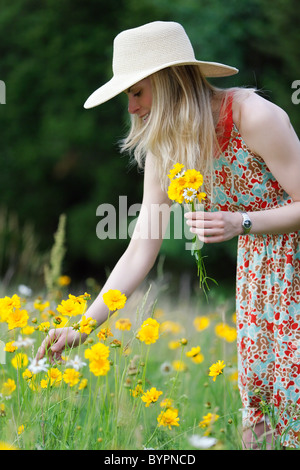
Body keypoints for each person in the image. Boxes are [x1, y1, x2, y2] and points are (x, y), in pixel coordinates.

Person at [36, 21, 300, 449]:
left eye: (137, 92)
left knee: (292, 406)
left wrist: (242, 222)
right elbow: (143, 246)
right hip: (259, 280)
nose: (132, 108)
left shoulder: (255, 116)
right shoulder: (168, 145)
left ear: (171, 80)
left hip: (294, 269)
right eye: (128, 96)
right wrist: (83, 327)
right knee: (261, 420)